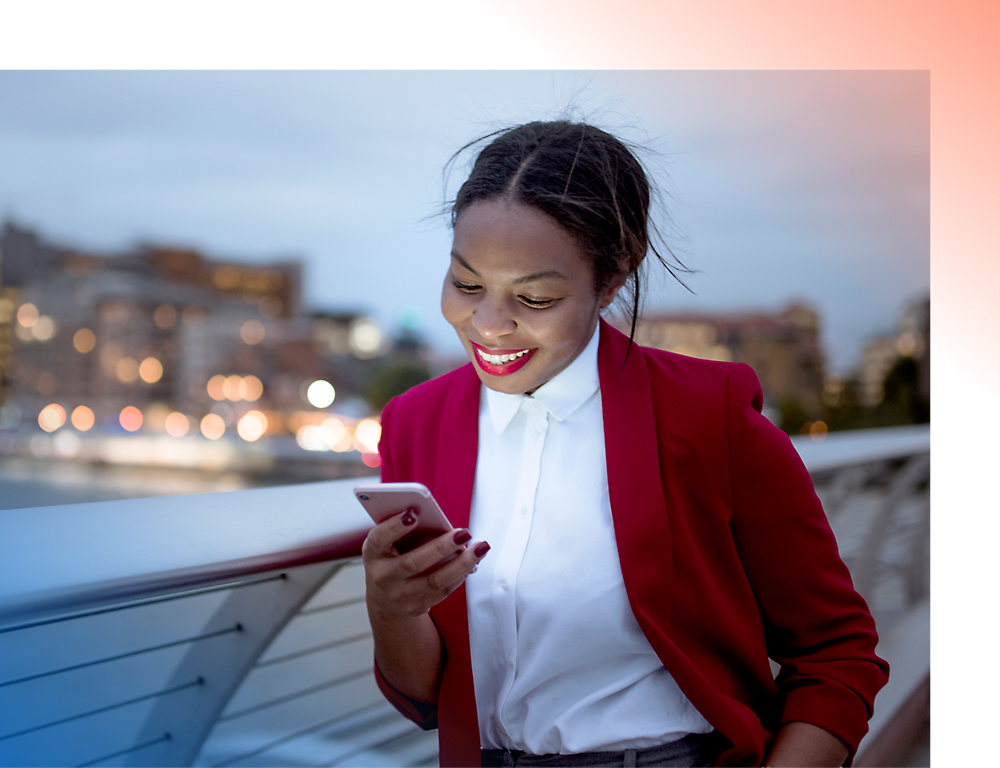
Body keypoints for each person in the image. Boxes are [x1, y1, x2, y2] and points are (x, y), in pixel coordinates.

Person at [361, 120, 888, 768]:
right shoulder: (415, 422)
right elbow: (423, 698)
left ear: (612, 281)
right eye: (467, 284)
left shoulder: (708, 417)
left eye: (535, 296)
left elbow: (837, 655)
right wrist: (391, 607)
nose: (490, 324)